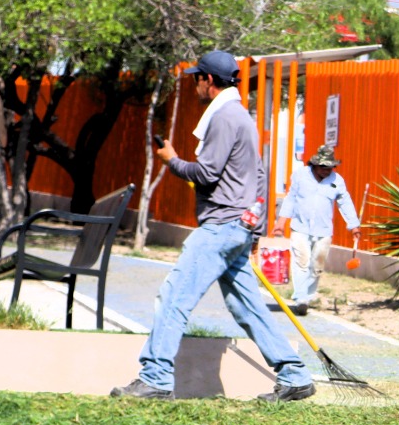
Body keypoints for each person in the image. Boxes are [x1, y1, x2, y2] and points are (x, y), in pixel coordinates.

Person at [110, 50, 316, 403]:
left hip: (221, 226)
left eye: (196, 79)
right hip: (237, 226)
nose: (194, 85)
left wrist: (171, 160)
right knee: (246, 307)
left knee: (174, 297)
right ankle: (295, 375)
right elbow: (260, 175)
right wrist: (254, 226)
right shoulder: (242, 117)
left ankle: (155, 379)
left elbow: (206, 173)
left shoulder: (223, 117)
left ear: (208, 80)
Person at [271, 144, 360, 314]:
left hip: (324, 230)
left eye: (330, 167)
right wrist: (281, 223)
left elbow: (345, 203)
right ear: (315, 164)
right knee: (301, 261)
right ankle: (301, 298)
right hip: (300, 227)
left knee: (317, 266)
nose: (327, 170)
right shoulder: (300, 176)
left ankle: (308, 295)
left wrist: (354, 225)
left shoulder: (337, 181)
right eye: (324, 167)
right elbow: (290, 199)